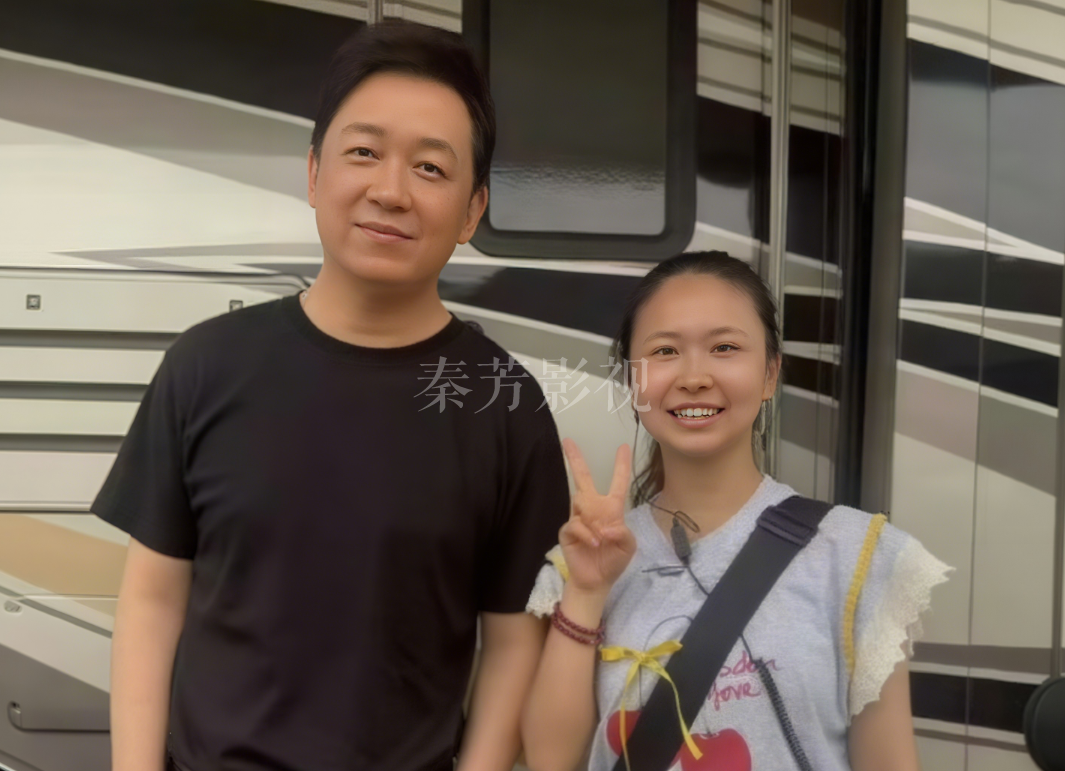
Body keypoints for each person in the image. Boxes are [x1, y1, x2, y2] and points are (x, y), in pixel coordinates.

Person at [95, 20, 569, 771]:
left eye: (430, 168)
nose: (390, 191)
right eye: (364, 152)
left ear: (472, 210)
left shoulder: (504, 404)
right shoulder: (205, 366)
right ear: (314, 173)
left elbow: (514, 640)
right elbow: (152, 601)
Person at [521, 251, 950, 771]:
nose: (694, 376)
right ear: (632, 381)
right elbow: (550, 762)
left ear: (770, 374)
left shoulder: (859, 556)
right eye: (665, 351)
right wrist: (587, 593)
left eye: (724, 347)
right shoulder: (580, 564)